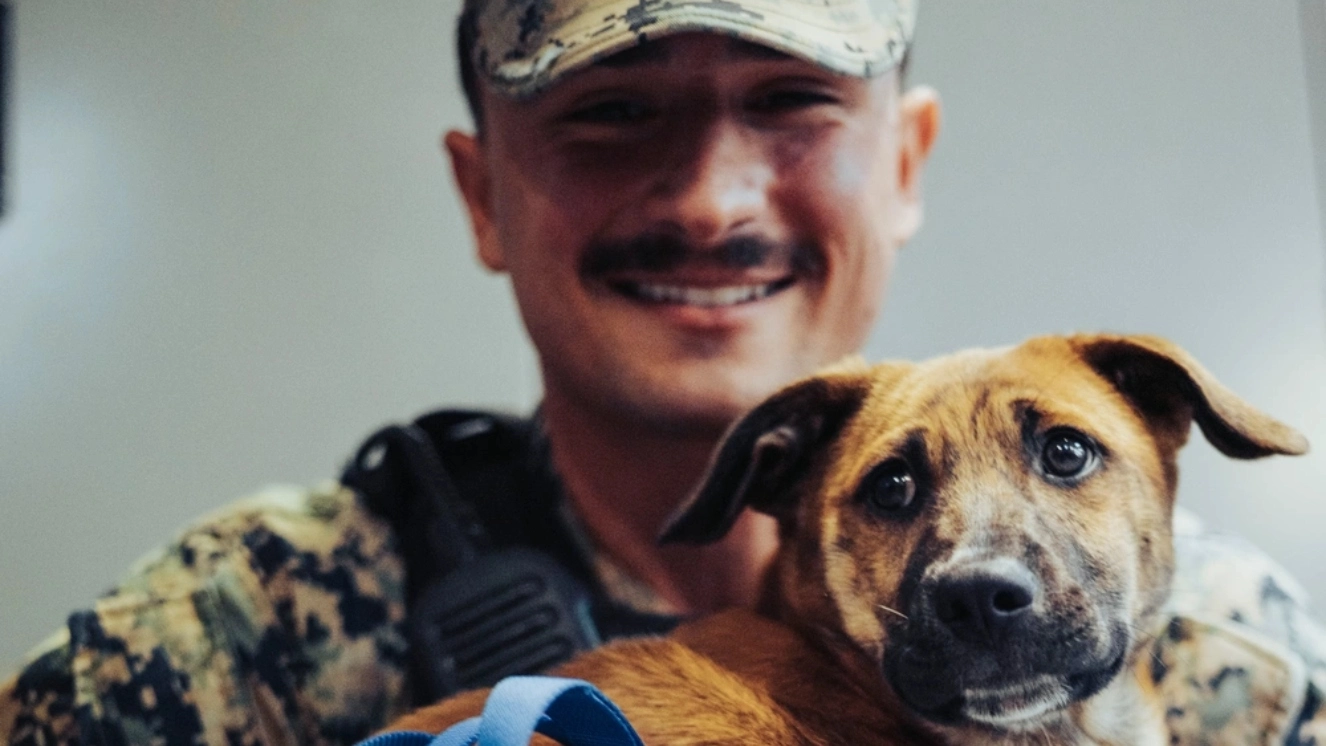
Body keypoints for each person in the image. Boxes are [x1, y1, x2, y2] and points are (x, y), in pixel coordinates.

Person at [3, 1, 1324, 744]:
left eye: (791, 101)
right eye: (610, 111)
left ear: (907, 162)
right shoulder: (247, 616)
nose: (707, 200)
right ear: (479, 197)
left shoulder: (1232, 656)